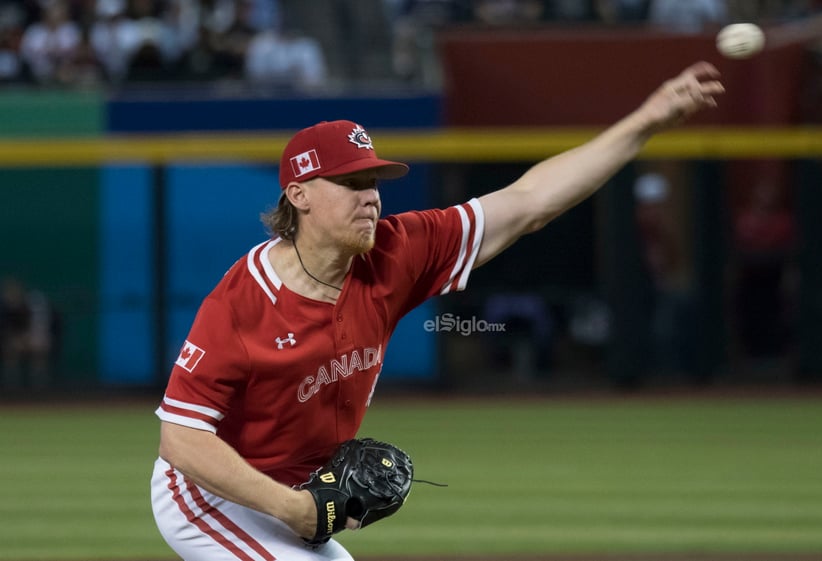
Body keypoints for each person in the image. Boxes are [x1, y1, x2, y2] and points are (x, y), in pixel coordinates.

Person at [150, 61, 724, 560]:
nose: (371, 196)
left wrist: (644, 122)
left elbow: (528, 204)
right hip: (207, 493)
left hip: (290, 488)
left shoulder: (397, 251)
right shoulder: (242, 304)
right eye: (351, 182)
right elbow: (181, 440)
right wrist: (293, 509)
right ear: (298, 196)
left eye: (374, 180)